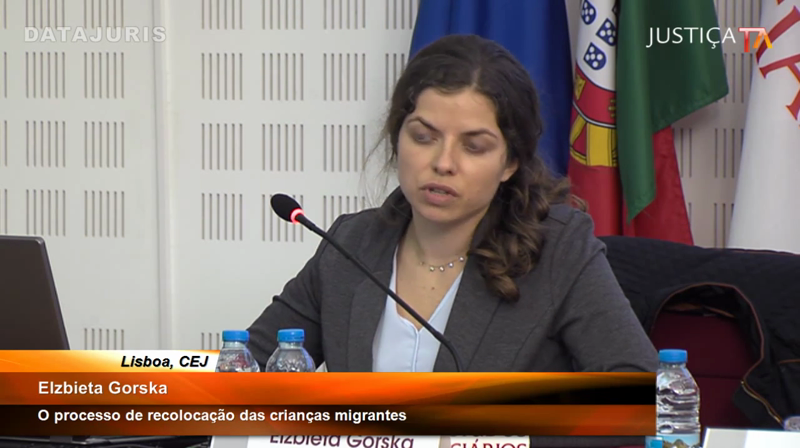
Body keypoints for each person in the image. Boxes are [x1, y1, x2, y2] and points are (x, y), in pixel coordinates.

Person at [247, 34, 658, 373]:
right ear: (397, 138)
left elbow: (636, 390)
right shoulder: (351, 242)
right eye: (423, 137)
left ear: (510, 163)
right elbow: (245, 367)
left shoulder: (559, 249)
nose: (443, 163)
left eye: (473, 146)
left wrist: (500, 431)